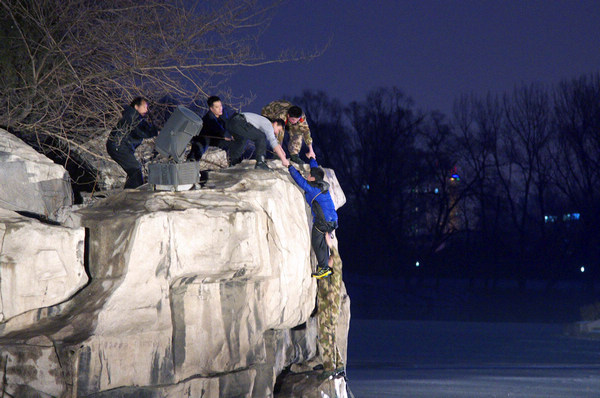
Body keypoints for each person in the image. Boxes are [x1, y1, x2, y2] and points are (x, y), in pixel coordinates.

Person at [288, 157, 338, 278]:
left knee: (317, 243)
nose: (308, 176)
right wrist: (312, 158)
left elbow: (300, 181)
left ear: (313, 178)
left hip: (323, 222)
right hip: (333, 220)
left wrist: (289, 167)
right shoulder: (322, 185)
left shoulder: (312, 189)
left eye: (309, 175)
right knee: (323, 244)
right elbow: (315, 169)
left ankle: (324, 267)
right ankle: (325, 267)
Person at [106, 97, 158, 188]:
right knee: (135, 169)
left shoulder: (134, 116)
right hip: (118, 146)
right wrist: (153, 131)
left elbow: (143, 128)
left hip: (119, 146)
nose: (146, 109)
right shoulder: (132, 116)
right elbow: (141, 132)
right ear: (136, 106)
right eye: (144, 107)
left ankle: (129, 193)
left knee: (133, 170)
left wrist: (152, 128)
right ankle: (134, 194)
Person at [226, 112, 290, 169]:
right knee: (261, 137)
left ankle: (233, 162)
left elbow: (275, 142)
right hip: (239, 121)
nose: (277, 133)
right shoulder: (268, 124)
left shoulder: (264, 122)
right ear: (275, 123)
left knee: (242, 140)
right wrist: (284, 160)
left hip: (232, 122)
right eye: (278, 130)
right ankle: (260, 162)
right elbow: (273, 142)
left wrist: (282, 152)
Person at [261, 100, 316, 165]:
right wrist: (280, 151)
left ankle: (294, 155)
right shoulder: (281, 116)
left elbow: (306, 131)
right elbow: (278, 134)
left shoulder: (301, 116)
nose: (295, 122)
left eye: (297, 120)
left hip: (286, 118)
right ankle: (276, 154)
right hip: (269, 115)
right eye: (293, 119)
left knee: (298, 130)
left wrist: (311, 150)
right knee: (279, 130)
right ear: (288, 115)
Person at [187, 95, 230, 161]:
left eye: (221, 106)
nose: (220, 108)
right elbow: (218, 130)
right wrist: (228, 135)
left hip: (216, 138)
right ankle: (192, 160)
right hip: (205, 139)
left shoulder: (222, 116)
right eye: (217, 107)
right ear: (211, 108)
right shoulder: (209, 118)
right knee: (203, 140)